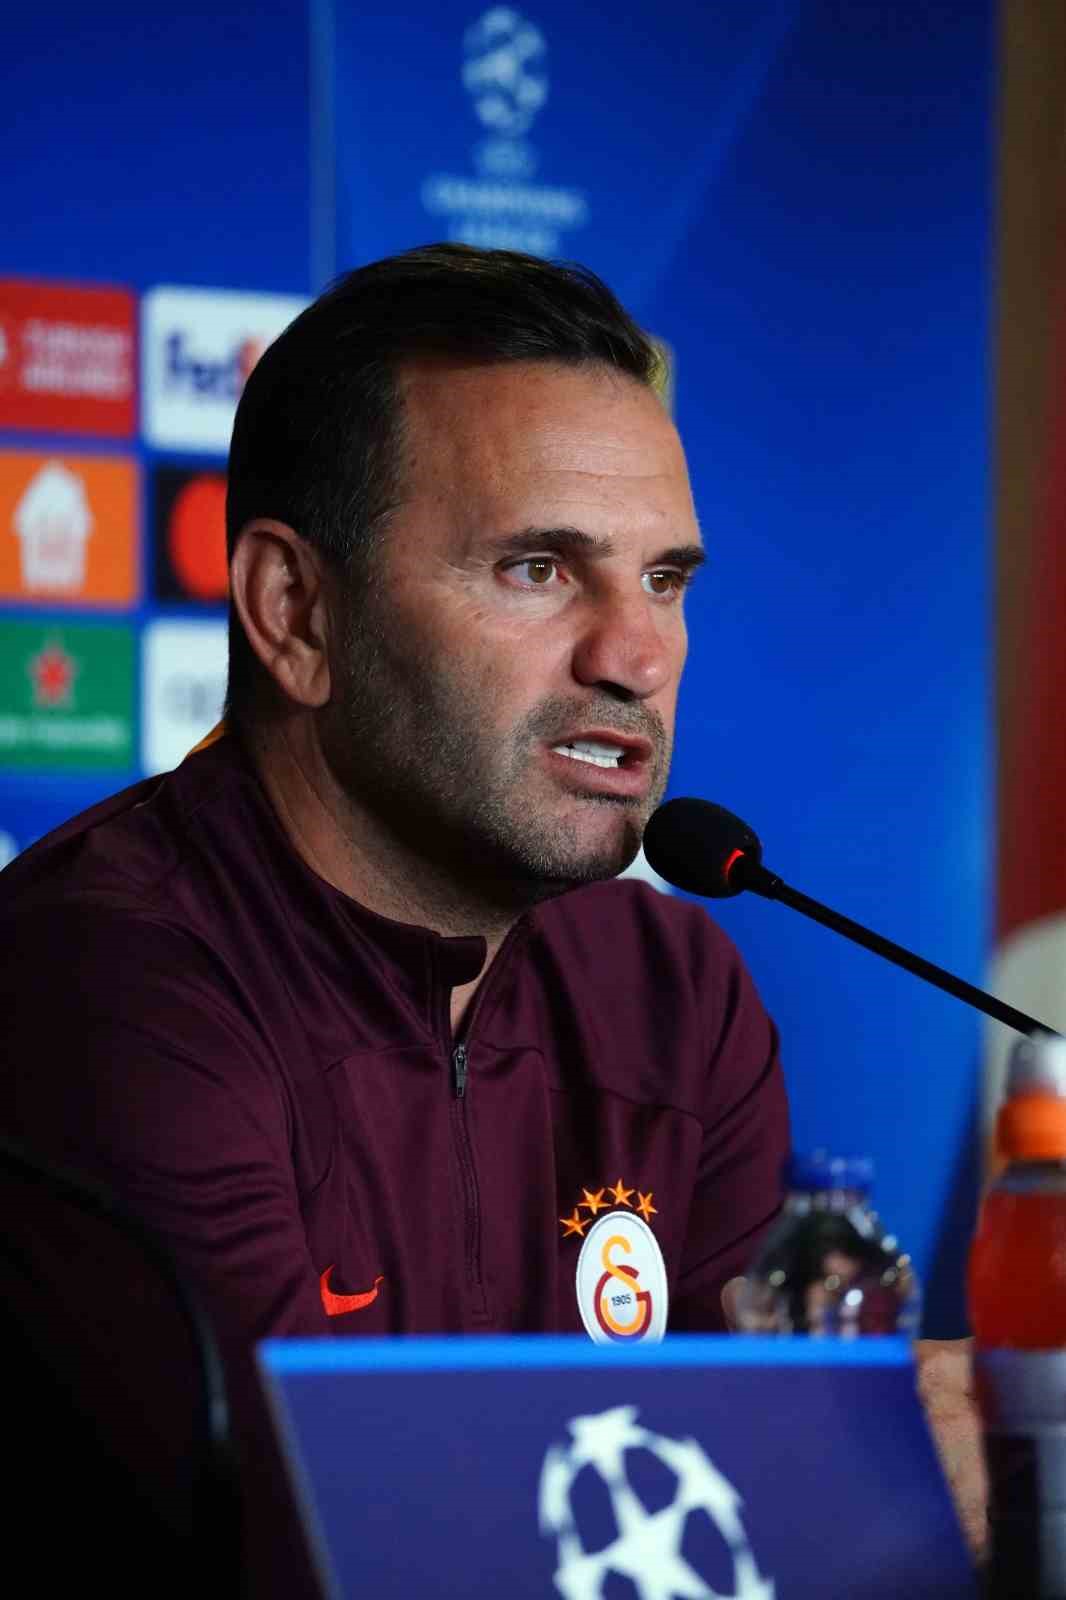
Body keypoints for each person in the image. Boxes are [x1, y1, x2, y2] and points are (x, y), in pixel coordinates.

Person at [0, 244, 981, 1590]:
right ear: (295, 613)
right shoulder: (103, 982)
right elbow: (314, 1548)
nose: (634, 655)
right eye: (537, 568)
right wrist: (856, 1494)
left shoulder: (672, 994)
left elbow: (735, 1492)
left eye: (665, 580)